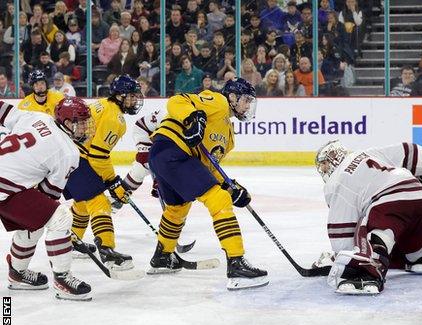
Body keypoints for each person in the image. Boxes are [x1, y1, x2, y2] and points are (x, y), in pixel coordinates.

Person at [147, 78, 268, 290]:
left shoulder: (229, 138)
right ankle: (236, 262)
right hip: (171, 149)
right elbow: (176, 101)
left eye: (250, 102)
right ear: (232, 97)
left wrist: (231, 187)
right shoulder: (218, 102)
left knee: (177, 208)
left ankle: (163, 257)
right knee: (218, 199)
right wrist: (195, 117)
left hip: (167, 157)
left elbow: (209, 168)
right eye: (246, 100)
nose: (248, 106)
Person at [314, 141, 422, 295]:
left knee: (365, 229)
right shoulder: (367, 153)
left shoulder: (336, 181)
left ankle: (368, 268)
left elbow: (342, 232)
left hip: (390, 204)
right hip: (421, 200)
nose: (323, 169)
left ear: (331, 160)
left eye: (324, 165)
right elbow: (412, 151)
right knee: (411, 248)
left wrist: (341, 257)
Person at [0, 97, 93, 300]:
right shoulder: (68, 152)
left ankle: (17, 273)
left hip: (6, 186)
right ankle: (62, 279)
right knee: (60, 217)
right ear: (68, 123)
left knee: (35, 221)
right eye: (82, 123)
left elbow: (3, 111)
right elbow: (48, 195)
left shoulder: (37, 117)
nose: (86, 129)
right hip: (5, 189)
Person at [64, 75, 143, 270]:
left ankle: (71, 242)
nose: (135, 100)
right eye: (132, 96)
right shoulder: (115, 118)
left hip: (68, 155)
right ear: (120, 96)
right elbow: (98, 155)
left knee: (83, 204)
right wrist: (113, 181)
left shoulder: (102, 104)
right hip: (77, 159)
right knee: (100, 203)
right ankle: (107, 251)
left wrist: (111, 181)